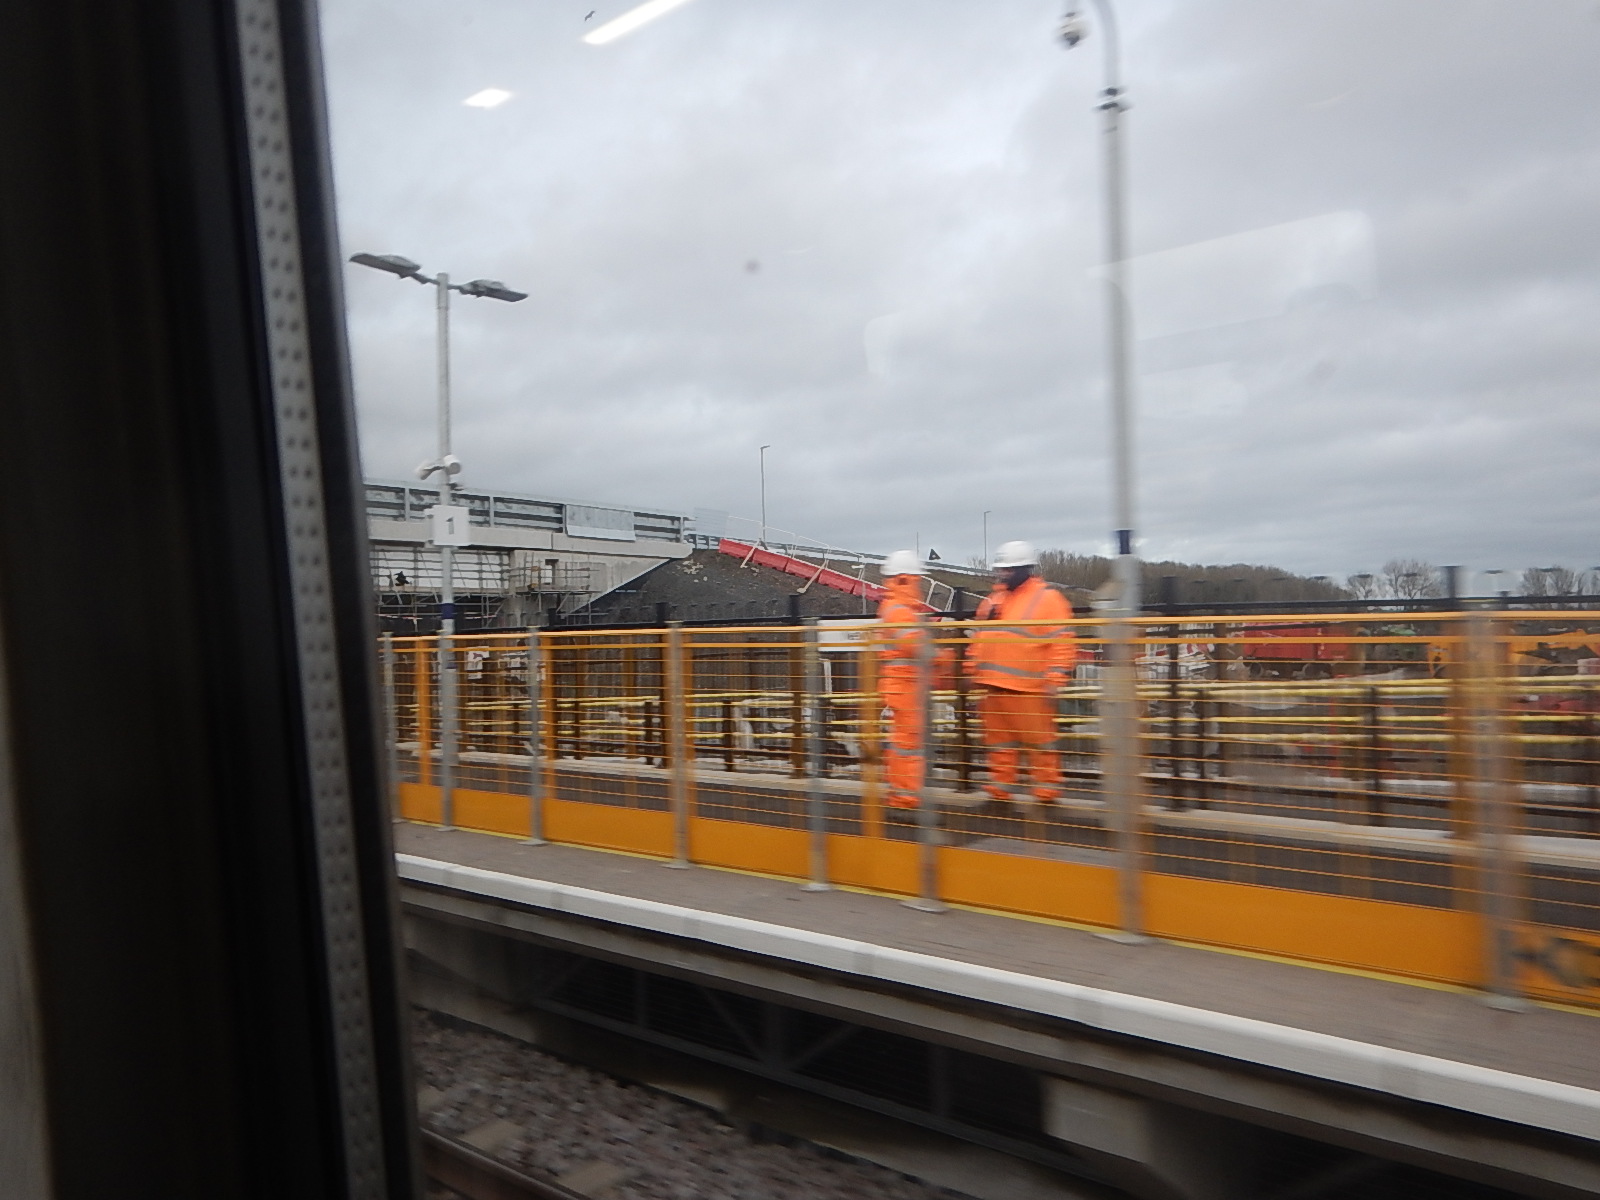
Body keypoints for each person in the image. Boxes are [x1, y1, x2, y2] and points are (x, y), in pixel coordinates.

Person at [967, 540, 1077, 804]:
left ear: (1025, 569)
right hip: (992, 687)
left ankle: (1046, 790)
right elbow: (978, 640)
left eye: (1008, 570)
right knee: (998, 742)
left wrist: (1055, 680)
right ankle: (1000, 787)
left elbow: (1062, 643)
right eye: (1001, 569)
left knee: (1039, 742)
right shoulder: (993, 601)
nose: (1002, 574)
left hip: (1028, 688)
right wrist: (971, 672)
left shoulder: (1048, 598)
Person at [875, 549, 933, 809]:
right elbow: (914, 645)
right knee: (907, 743)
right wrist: (941, 657)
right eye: (917, 580)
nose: (920, 585)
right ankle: (905, 797)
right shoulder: (899, 610)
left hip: (903, 685)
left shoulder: (898, 608)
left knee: (903, 742)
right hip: (904, 686)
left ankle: (900, 793)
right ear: (904, 579)